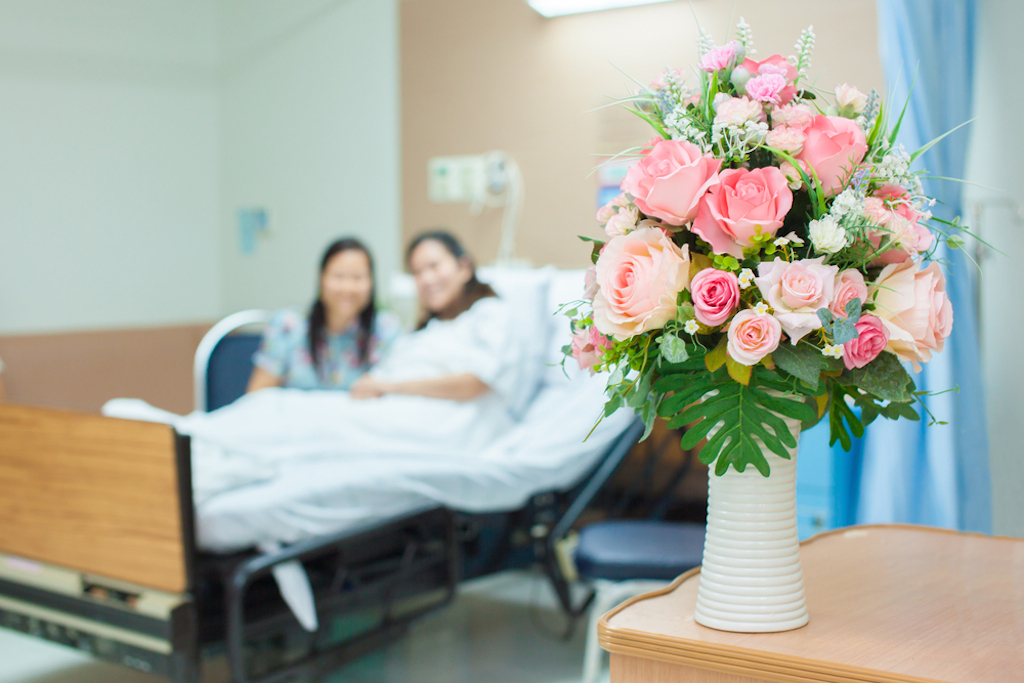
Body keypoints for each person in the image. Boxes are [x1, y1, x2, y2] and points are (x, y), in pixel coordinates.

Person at [247, 238, 401, 393]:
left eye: (357, 277)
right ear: (321, 279)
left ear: (371, 283)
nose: (347, 287)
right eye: (338, 276)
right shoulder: (288, 325)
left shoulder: (386, 329)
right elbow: (258, 395)